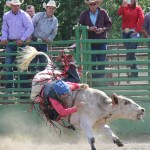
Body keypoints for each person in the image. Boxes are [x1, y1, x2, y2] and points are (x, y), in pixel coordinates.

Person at [0, 0, 34, 90]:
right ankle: (10, 89)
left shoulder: (24, 15)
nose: (16, 7)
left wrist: (22, 39)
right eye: (14, 5)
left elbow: (30, 28)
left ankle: (23, 89)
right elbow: (4, 28)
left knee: (22, 65)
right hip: (10, 42)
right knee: (8, 65)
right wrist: (4, 37)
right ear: (11, 6)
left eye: (17, 5)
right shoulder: (7, 15)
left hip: (20, 42)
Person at [79, 0, 112, 80]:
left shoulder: (103, 12)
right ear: (89, 5)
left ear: (97, 4)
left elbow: (109, 24)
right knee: (92, 64)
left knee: (102, 63)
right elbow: (79, 26)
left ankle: (100, 81)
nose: (92, 5)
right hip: (90, 43)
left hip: (102, 41)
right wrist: (88, 28)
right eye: (91, 4)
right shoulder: (84, 14)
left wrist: (103, 29)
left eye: (94, 4)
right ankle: (94, 82)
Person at [118, 0, 144, 77]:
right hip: (125, 32)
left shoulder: (138, 8)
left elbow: (142, 18)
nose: (131, 1)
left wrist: (137, 30)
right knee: (131, 52)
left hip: (134, 31)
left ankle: (129, 63)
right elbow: (119, 13)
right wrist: (122, 6)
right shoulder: (125, 7)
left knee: (131, 50)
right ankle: (134, 72)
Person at [31, 0, 58, 71]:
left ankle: (41, 80)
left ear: (54, 9)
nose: (51, 10)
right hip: (34, 41)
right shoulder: (39, 15)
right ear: (46, 8)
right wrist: (30, 36)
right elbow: (31, 25)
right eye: (50, 8)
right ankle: (33, 79)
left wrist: (49, 39)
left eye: (53, 8)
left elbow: (54, 32)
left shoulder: (55, 20)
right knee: (32, 62)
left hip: (44, 42)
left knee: (44, 62)